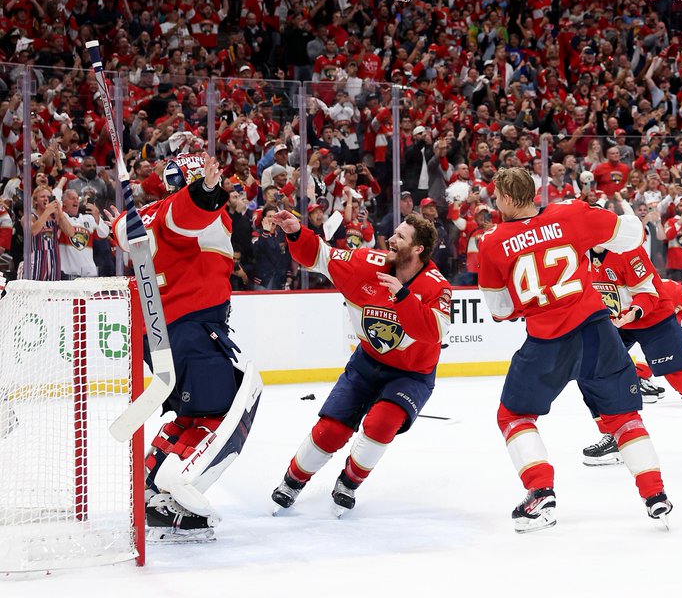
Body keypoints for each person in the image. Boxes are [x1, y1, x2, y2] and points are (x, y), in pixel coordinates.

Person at [477, 168, 671, 532]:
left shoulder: (491, 242)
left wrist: (526, 303)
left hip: (546, 343)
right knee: (623, 418)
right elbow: (633, 234)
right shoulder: (569, 213)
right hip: (598, 333)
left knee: (513, 416)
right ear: (533, 193)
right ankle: (656, 495)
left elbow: (500, 310)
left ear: (503, 198)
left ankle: (540, 491)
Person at [109, 155, 261, 542]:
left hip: (155, 334)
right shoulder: (196, 209)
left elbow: (118, 231)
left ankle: (151, 481)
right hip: (193, 327)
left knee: (190, 415)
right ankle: (181, 491)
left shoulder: (143, 214)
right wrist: (207, 193)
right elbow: (186, 217)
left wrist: (118, 218)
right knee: (222, 414)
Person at [269, 210, 448, 515]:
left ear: (418, 250)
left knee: (382, 424)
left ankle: (349, 482)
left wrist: (403, 297)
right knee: (332, 430)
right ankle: (292, 481)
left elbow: (434, 333)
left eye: (401, 237)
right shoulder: (366, 263)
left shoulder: (436, 286)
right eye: (394, 232)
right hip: (367, 361)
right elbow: (320, 255)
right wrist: (296, 232)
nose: (391, 238)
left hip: (412, 374)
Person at [581, 257, 682, 463]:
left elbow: (649, 293)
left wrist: (636, 313)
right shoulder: (584, 252)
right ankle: (614, 436)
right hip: (621, 321)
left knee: (679, 376)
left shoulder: (627, 249)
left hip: (654, 317)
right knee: (591, 368)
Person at [57, 189, 110, 280]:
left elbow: (104, 233)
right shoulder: (61, 217)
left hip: (90, 274)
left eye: (77, 198)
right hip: (68, 274)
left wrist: (97, 216)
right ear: (63, 202)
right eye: (72, 198)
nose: (76, 201)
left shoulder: (88, 218)